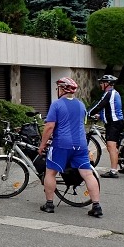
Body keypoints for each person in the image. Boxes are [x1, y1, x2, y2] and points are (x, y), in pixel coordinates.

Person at [37, 76, 103, 218]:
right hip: (81, 144)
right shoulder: (81, 105)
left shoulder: (56, 104)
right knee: (87, 174)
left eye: (58, 88)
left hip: (61, 144)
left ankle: (49, 204)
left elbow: (49, 127)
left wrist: (42, 144)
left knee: (50, 173)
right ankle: (96, 206)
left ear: (62, 89)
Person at [88, 74, 124, 178]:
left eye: (102, 82)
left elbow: (99, 105)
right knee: (117, 145)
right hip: (118, 122)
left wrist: (88, 113)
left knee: (111, 147)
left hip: (113, 124)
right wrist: (100, 115)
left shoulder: (108, 93)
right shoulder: (115, 93)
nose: (100, 84)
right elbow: (109, 108)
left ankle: (113, 171)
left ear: (107, 84)